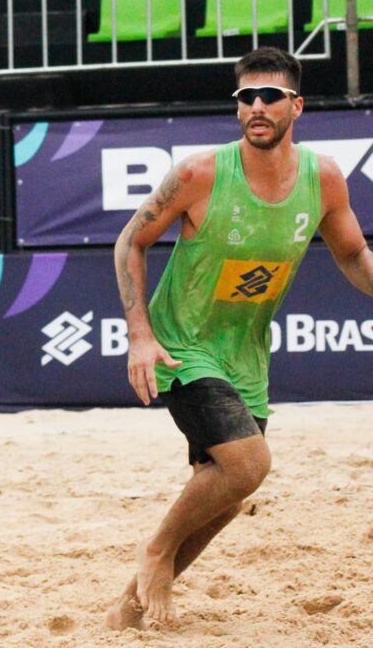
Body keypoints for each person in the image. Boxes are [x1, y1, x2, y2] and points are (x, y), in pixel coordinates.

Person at [105, 47, 373, 629]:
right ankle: (155, 550)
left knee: (223, 496)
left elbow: (353, 253)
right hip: (182, 345)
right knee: (248, 465)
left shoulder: (323, 177)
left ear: (295, 106)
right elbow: (130, 241)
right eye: (246, 96)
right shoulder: (201, 172)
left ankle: (126, 616)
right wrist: (140, 336)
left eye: (270, 96)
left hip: (244, 354)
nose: (256, 105)